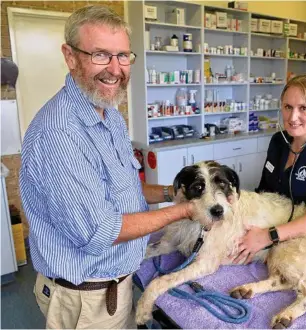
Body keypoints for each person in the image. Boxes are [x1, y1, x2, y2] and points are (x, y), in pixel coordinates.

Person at [19, 5, 193, 329]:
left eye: (123, 56)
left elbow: (123, 187)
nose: (115, 69)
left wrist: (173, 192)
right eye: (100, 55)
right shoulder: (60, 133)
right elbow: (101, 230)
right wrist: (183, 211)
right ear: (70, 57)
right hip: (86, 302)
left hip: (116, 286)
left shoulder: (107, 111)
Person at [232, 74, 306, 264]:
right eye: (288, 107)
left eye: (303, 108)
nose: (293, 117)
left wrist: (267, 236)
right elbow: (264, 192)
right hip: (271, 228)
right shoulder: (279, 141)